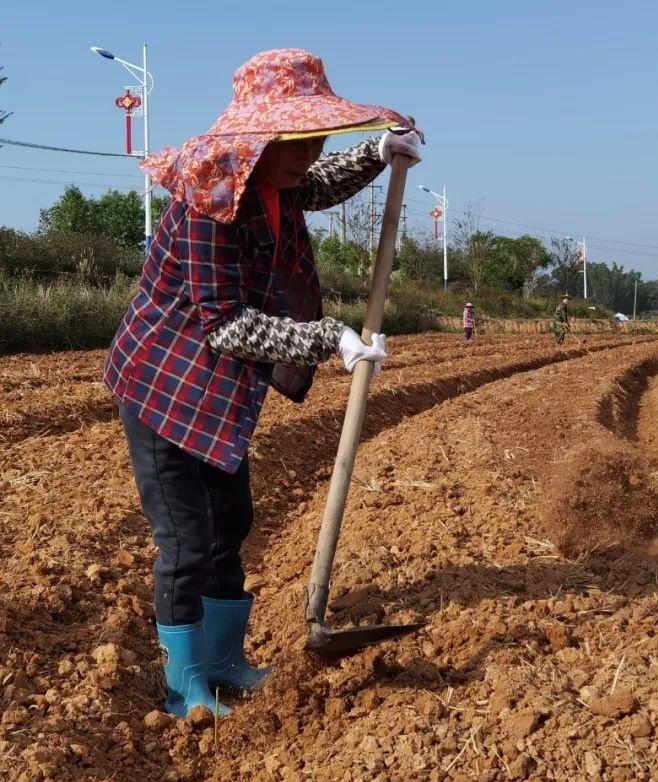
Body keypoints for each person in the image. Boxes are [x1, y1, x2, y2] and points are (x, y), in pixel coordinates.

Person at [103, 49, 423, 718]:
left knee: (233, 522)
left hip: (218, 394)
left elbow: (316, 185)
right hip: (165, 387)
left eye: (316, 139)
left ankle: (225, 661)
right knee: (187, 541)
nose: (307, 155)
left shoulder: (275, 179)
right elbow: (223, 325)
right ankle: (182, 684)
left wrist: (379, 153)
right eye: (295, 141)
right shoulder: (209, 198)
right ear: (258, 137)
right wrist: (327, 338)